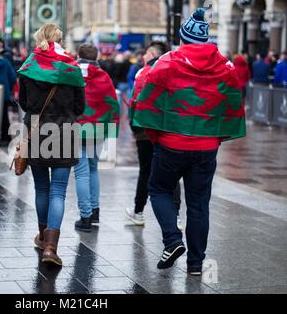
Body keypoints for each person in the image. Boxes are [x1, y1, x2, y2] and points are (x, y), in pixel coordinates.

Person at [133, 9, 245, 276]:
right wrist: (217, 137)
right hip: (206, 147)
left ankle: (172, 240)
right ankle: (195, 264)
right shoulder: (224, 66)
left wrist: (156, 137)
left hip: (171, 144)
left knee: (158, 189)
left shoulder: (166, 62)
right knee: (198, 204)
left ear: (183, 39)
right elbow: (232, 103)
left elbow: (147, 104)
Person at [18, 23, 85, 266]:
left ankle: (42, 236)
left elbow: (24, 103)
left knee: (42, 189)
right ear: (60, 39)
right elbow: (80, 108)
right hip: (65, 131)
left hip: (37, 132)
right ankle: (50, 247)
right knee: (58, 191)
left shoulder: (29, 65)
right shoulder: (71, 67)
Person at [127, 42, 183, 229]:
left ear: (151, 54)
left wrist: (134, 127)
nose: (142, 57)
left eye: (145, 54)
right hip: (167, 129)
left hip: (145, 130)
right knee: (172, 173)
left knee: (145, 171)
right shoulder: (174, 71)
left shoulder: (143, 73)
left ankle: (139, 212)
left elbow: (136, 101)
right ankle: (176, 216)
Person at [73, 43, 120, 232]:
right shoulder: (104, 76)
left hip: (75, 127)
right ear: (97, 57)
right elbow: (112, 104)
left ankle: (85, 217)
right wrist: (112, 129)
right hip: (98, 128)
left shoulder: (71, 73)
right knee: (93, 169)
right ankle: (95, 210)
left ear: (79, 55)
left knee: (81, 172)